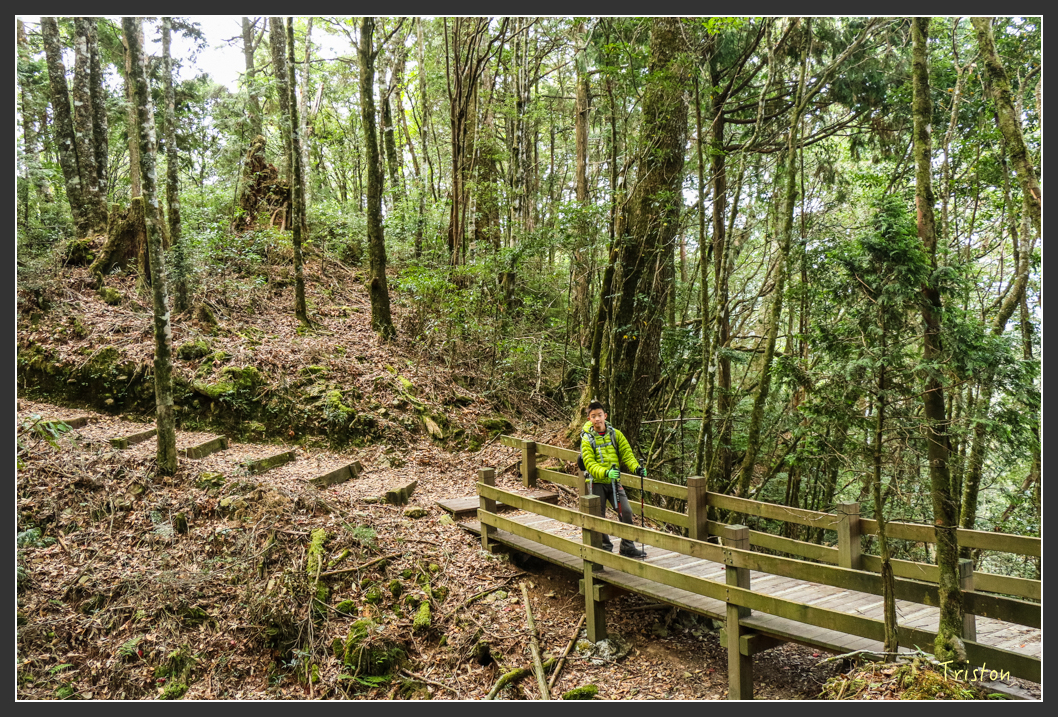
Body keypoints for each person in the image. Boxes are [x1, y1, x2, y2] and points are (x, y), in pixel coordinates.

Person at [580, 400, 648, 558]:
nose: (597, 419)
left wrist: (636, 468)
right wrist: (605, 473)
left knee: (626, 511)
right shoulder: (587, 439)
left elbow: (627, 454)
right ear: (589, 419)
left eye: (599, 415)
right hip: (596, 482)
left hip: (614, 481)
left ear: (605, 415)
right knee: (599, 515)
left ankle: (627, 546)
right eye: (593, 416)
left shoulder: (615, 434)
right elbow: (589, 463)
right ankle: (604, 546)